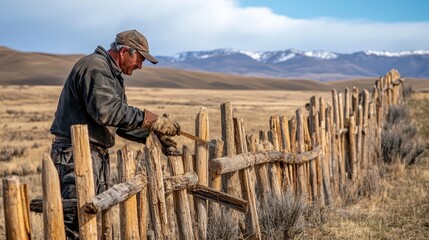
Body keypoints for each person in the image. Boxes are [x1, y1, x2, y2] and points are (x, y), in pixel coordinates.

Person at [49, 29, 181, 239]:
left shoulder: (110, 73)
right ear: (124, 52)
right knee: (75, 223)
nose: (139, 66)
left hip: (92, 153)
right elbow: (107, 111)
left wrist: (153, 135)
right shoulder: (96, 67)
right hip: (75, 154)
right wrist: (151, 119)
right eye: (139, 59)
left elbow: (119, 123)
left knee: (90, 218)